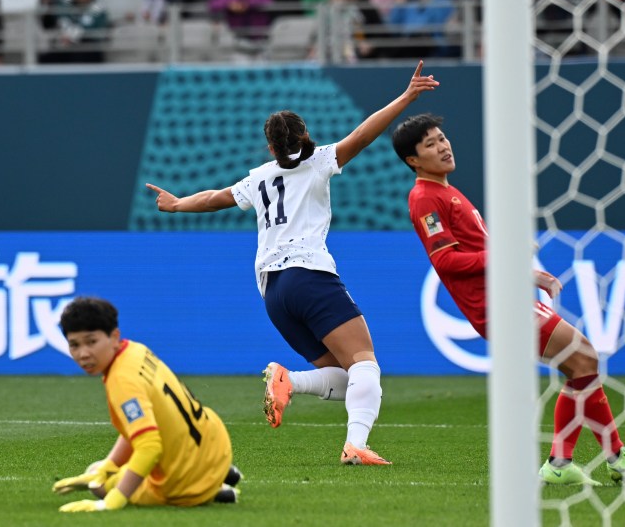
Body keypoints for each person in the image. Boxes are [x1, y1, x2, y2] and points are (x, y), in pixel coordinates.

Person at [146, 61, 438, 466]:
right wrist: (406, 98)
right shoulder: (318, 161)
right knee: (365, 363)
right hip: (309, 274)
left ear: (270, 149)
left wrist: (177, 204)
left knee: (346, 374)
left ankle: (291, 382)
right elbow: (364, 134)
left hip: (273, 292)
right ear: (304, 135)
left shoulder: (260, 177)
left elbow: (214, 197)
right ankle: (355, 444)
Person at [390, 112, 625, 486]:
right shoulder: (425, 198)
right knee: (582, 357)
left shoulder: (446, 191)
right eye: (431, 144)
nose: (443, 146)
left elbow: (479, 254)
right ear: (413, 160)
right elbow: (446, 261)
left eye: (442, 137)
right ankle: (602, 458)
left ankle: (573, 461)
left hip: (503, 297)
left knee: (580, 363)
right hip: (493, 306)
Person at [52, 296, 241, 512]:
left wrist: (110, 502)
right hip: (215, 446)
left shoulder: (122, 380)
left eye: (91, 342)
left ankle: (207, 490)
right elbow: (142, 424)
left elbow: (149, 447)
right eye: (74, 345)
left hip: (182, 482)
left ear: (114, 336)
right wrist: (110, 464)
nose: (83, 353)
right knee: (102, 470)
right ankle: (217, 474)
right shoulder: (135, 350)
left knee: (98, 483)